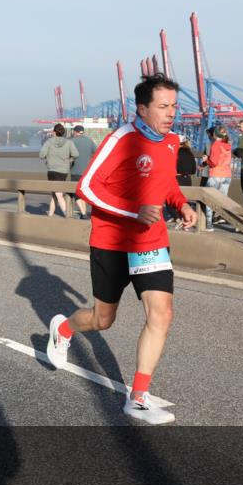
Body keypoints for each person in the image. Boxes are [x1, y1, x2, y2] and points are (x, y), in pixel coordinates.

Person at [47, 73, 197, 425]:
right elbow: (86, 187)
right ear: (142, 109)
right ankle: (64, 330)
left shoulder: (172, 141)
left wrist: (181, 203)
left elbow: (166, 183)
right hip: (112, 242)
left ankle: (138, 398)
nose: (170, 113)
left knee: (162, 313)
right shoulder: (122, 139)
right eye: (163, 106)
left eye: (174, 106)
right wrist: (133, 211)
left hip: (151, 242)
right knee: (103, 320)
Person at [39, 123, 79, 216]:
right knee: (55, 193)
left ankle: (68, 214)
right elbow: (76, 154)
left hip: (52, 170)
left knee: (58, 193)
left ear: (54, 132)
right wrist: (69, 160)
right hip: (64, 171)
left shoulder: (49, 142)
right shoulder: (69, 142)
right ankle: (50, 215)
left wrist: (48, 159)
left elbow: (41, 155)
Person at [201, 124, 233, 228]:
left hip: (216, 174)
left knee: (209, 199)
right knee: (223, 200)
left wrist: (206, 159)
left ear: (214, 134)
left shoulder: (215, 145)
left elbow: (213, 163)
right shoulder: (228, 145)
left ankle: (209, 224)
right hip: (227, 175)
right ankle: (229, 219)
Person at [167, 134, 197, 228]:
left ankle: (176, 217)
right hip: (187, 179)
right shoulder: (190, 153)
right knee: (184, 200)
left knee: (170, 199)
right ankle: (184, 217)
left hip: (177, 178)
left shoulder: (175, 153)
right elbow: (193, 170)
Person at [70, 125, 97, 217]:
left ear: (75, 132)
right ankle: (83, 212)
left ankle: (83, 212)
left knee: (75, 192)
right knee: (83, 191)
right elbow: (97, 152)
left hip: (75, 171)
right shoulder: (89, 141)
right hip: (86, 172)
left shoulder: (72, 141)